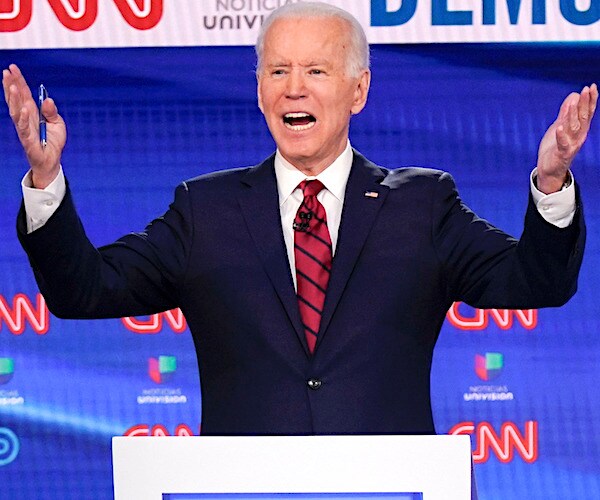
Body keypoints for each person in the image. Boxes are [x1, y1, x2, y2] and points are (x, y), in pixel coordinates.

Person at [2, 2, 597, 438]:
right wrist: (46, 181)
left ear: (358, 90)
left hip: (389, 487)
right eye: (277, 71)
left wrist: (550, 183)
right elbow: (85, 290)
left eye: (316, 71)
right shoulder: (205, 211)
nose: (294, 89)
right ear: (259, 90)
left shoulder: (422, 205)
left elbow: (536, 282)